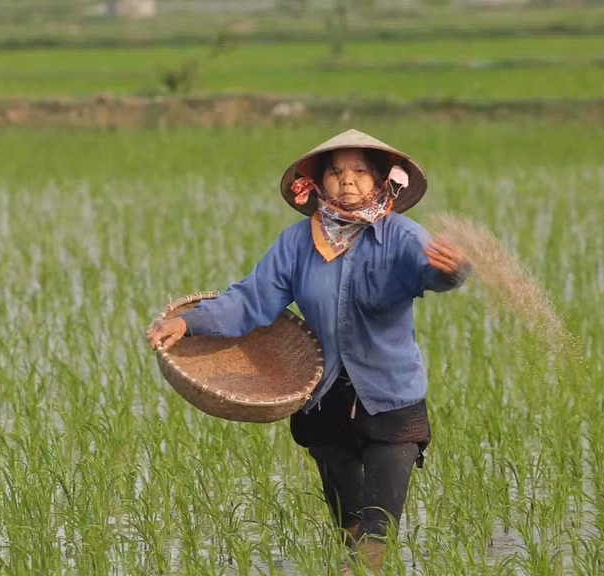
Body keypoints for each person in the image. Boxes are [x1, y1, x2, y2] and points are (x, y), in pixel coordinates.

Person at [146, 129, 470, 573]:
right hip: (324, 402)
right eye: (335, 172)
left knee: (376, 533)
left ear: (380, 180)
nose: (347, 180)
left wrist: (453, 271)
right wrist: (188, 323)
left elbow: (432, 273)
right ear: (318, 183)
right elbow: (250, 300)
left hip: (391, 400)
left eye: (360, 171)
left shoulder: (401, 237)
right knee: (349, 526)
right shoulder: (297, 244)